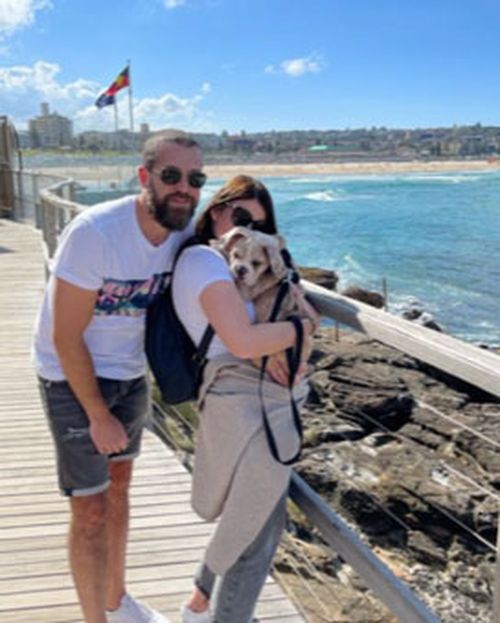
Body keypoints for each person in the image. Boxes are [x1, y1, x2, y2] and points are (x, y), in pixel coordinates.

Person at [33, 129, 207, 623]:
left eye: (195, 179)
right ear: (144, 176)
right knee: (90, 511)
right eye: (170, 176)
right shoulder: (95, 233)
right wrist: (96, 414)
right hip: (70, 375)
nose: (184, 189)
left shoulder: (183, 234)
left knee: (120, 488)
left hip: (130, 375)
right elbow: (66, 338)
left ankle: (116, 598)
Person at [172, 175, 316, 623]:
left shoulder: (227, 266)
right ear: (218, 212)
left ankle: (200, 603)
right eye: (240, 219)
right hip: (240, 392)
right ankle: (222, 615)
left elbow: (256, 328)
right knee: (256, 528)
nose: (247, 231)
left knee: (251, 514)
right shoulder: (204, 260)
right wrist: (298, 330)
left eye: (260, 226)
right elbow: (243, 340)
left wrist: (279, 342)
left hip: (259, 394)